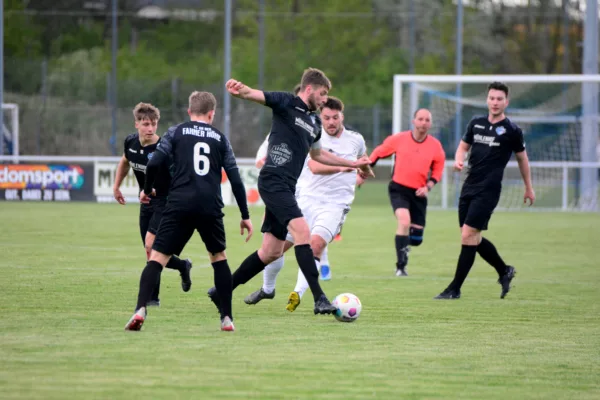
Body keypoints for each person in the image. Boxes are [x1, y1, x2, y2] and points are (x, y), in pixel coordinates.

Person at [207, 67, 371, 315]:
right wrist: (240, 91)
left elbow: (318, 155)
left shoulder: (315, 122)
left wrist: (352, 164)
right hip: (273, 180)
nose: (325, 99)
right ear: (309, 89)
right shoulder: (285, 103)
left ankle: (222, 290)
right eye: (323, 93)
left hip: (287, 187)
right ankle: (320, 299)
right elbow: (255, 94)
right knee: (303, 233)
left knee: (270, 252)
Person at [124, 91, 253, 332]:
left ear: (189, 112)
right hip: (210, 205)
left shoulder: (175, 132)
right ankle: (227, 318)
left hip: (179, 203)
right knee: (218, 258)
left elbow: (153, 163)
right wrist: (245, 215)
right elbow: (235, 179)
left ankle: (140, 309)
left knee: (157, 258)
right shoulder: (220, 138)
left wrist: (147, 189)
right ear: (211, 114)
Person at [245, 96, 373, 311]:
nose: (331, 122)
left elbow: (363, 159)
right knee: (273, 250)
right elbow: (314, 166)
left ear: (342, 116)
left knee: (315, 245)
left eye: (335, 117)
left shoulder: (356, 139)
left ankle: (299, 293)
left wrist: (365, 170)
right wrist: (348, 166)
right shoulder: (312, 134)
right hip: (304, 199)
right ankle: (268, 288)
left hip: (334, 205)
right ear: (320, 117)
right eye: (326, 118)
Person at [435, 81, 535, 300]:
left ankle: (454, 289)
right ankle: (504, 270)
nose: (495, 102)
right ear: (487, 100)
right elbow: (463, 146)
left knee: (468, 235)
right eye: (492, 98)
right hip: (468, 186)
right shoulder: (476, 123)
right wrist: (459, 161)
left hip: (488, 190)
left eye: (500, 99)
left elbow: (522, 159)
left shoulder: (512, 130)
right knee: (472, 238)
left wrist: (529, 187)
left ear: (506, 102)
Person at [113, 103, 192, 306]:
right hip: (146, 202)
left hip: (165, 202)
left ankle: (153, 296)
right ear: (136, 124)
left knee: (151, 245)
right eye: (146, 124)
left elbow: (179, 175)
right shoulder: (130, 142)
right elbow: (125, 161)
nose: (150, 128)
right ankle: (181, 267)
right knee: (150, 251)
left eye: (154, 124)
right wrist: (116, 186)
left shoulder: (164, 147)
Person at [369, 108, 445, 276]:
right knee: (404, 222)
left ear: (430, 124)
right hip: (399, 189)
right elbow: (378, 153)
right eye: (420, 119)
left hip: (419, 193)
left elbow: (438, 169)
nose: (423, 123)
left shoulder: (435, 146)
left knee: (416, 239)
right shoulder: (399, 139)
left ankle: (403, 242)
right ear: (413, 121)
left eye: (427, 120)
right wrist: (363, 172)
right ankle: (401, 267)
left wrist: (428, 186)